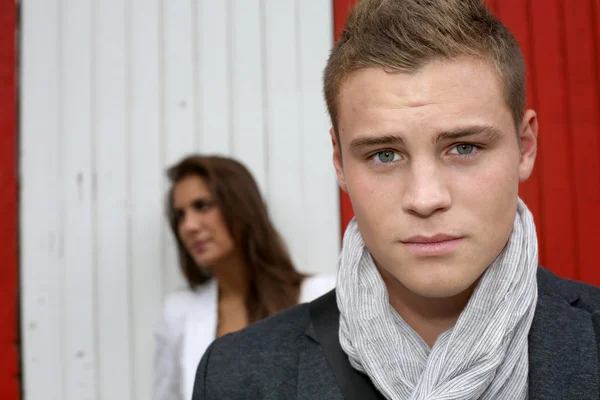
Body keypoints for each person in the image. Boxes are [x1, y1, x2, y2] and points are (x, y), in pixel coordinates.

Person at [191, 0, 600, 399]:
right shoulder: (235, 377)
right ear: (339, 162)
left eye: (464, 148)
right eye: (384, 155)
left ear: (525, 147)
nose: (425, 198)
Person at [152, 154, 335, 400]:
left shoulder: (319, 294)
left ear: (240, 205)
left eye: (202, 206)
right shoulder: (180, 313)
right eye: (180, 216)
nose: (188, 226)